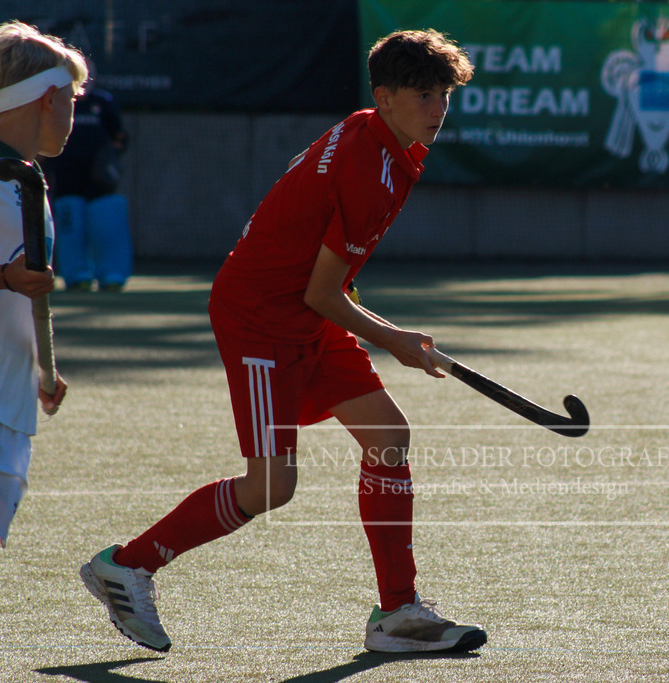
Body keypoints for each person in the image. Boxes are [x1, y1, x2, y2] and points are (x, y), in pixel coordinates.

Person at [80, 29, 484, 654]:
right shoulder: (370, 168)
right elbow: (321, 293)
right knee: (271, 484)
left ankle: (397, 613)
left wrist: (382, 329)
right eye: (424, 96)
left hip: (306, 314)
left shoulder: (377, 137)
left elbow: (322, 279)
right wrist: (394, 339)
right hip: (261, 319)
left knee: (387, 437)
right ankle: (128, 566)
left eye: (444, 96)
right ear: (384, 97)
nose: (439, 110)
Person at [0, 21, 78, 555]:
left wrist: (43, 367)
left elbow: (27, 290)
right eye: (72, 102)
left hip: (3, 384)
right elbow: (11, 278)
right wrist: (3, 277)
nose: (72, 117)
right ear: (47, 98)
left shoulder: (26, 178)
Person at [42, 58, 132, 292]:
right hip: (67, 177)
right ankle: (77, 275)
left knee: (107, 224)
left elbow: (120, 137)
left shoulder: (103, 102)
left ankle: (112, 275)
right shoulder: (56, 101)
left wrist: (109, 160)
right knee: (71, 226)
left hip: (100, 179)